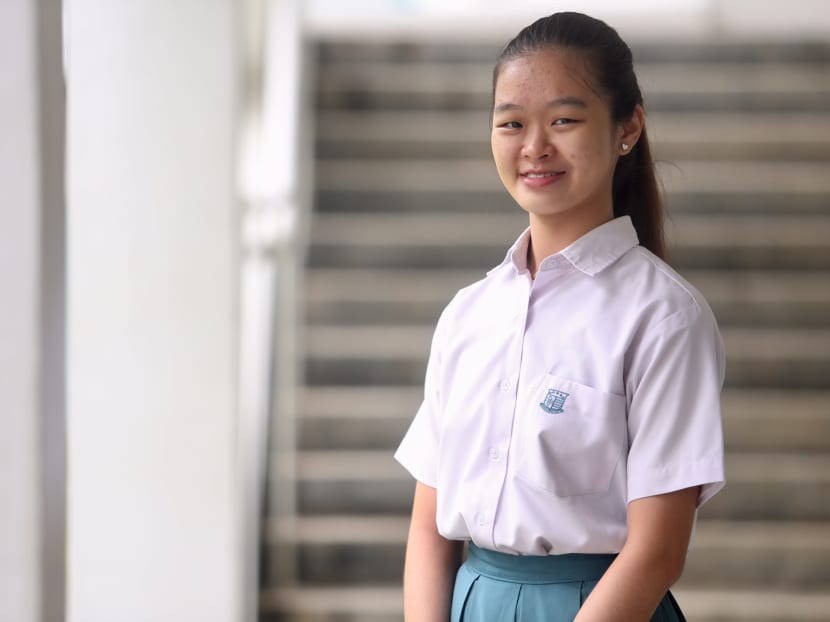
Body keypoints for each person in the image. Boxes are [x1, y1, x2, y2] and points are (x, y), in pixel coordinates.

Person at [393, 11, 726, 622]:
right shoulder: (468, 314)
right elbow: (428, 529)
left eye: (564, 120)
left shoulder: (663, 317)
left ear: (628, 128)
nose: (534, 147)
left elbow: (656, 552)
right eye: (511, 123)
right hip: (473, 602)